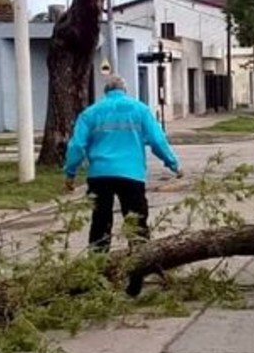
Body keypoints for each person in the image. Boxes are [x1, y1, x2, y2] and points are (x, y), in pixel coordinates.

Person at [64, 75, 182, 293]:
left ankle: (96, 276)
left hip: (99, 176)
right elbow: (157, 140)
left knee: (100, 224)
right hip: (131, 175)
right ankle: (137, 278)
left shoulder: (91, 113)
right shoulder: (140, 110)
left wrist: (70, 173)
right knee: (136, 225)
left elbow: (77, 145)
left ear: (105, 92)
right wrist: (173, 164)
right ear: (125, 90)